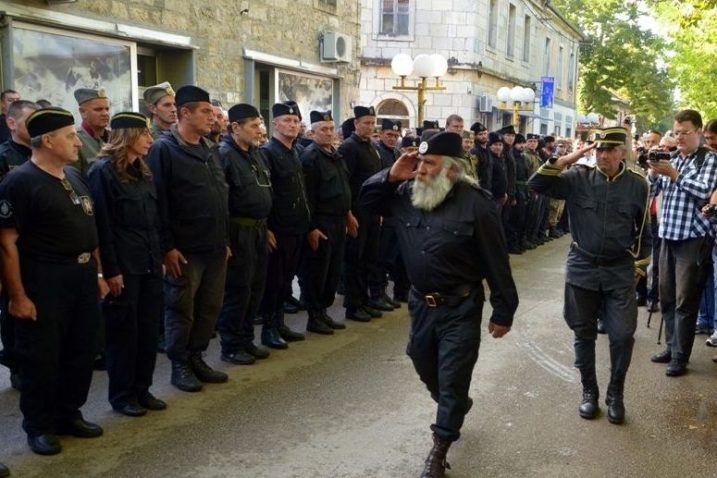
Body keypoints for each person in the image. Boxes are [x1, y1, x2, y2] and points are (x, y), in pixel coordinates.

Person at [359, 131, 518, 477]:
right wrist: (389, 175)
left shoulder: (477, 203)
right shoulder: (404, 193)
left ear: (450, 169)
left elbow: (496, 260)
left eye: (428, 164)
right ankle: (454, 402)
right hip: (420, 304)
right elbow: (364, 202)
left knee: (453, 374)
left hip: (461, 305)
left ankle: (440, 447)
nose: (420, 170)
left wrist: (504, 310)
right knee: (421, 359)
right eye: (418, 162)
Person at [0, 107, 109, 455]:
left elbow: (91, 232)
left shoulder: (74, 176)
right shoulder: (20, 181)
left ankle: (68, 414)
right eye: (70, 136)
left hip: (80, 277)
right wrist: (17, 296)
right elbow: (6, 242)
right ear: (47, 140)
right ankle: (39, 425)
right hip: (43, 279)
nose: (78, 142)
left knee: (81, 351)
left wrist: (99, 274)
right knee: (43, 358)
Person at [528, 128, 651, 424]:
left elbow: (645, 232)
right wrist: (567, 158)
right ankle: (589, 392)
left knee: (622, 335)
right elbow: (537, 185)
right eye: (599, 150)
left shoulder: (638, 185)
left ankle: (615, 394)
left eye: (610, 150)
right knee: (583, 333)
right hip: (582, 265)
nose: (603, 156)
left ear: (623, 152)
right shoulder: (577, 178)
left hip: (619, 268)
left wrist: (639, 267)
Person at [146, 85, 230, 392]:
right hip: (184, 249)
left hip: (215, 245)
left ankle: (197, 356)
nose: (212, 117)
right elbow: (158, 203)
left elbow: (221, 196)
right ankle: (179, 364)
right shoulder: (164, 150)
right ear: (185, 113)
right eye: (205, 111)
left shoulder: (210, 148)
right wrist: (167, 247)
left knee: (210, 307)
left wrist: (225, 240)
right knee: (182, 308)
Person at [88, 112, 167, 417]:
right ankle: (122, 395)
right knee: (124, 334)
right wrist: (110, 271)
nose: (150, 139)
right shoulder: (102, 172)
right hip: (124, 267)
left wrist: (158, 257)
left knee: (148, 331)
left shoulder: (143, 171)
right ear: (128, 136)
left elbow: (154, 221)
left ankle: (142, 389)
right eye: (145, 134)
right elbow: (103, 226)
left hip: (148, 262)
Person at [648, 109, 717, 376]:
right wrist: (654, 173)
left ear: (698, 132)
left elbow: (703, 190)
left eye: (684, 133)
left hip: (693, 238)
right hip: (668, 235)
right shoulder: (672, 157)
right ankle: (671, 345)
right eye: (676, 133)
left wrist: (674, 174)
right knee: (666, 295)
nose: (679, 138)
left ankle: (681, 356)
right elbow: (652, 192)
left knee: (685, 300)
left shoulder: (709, 160)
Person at [216, 103, 273, 365]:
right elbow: (222, 203)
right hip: (239, 231)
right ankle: (231, 344)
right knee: (238, 290)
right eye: (254, 125)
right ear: (235, 128)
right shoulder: (225, 155)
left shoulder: (256, 154)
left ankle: (247, 339)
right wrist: (226, 240)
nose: (260, 130)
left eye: (260, 124)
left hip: (259, 230)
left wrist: (267, 227)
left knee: (256, 287)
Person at [298, 110, 355, 334]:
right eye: (324, 129)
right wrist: (311, 228)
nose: (329, 133)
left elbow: (343, 187)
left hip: (338, 221)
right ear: (312, 133)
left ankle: (323, 312)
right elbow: (307, 197)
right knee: (317, 271)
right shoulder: (310, 158)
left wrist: (348, 213)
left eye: (331, 128)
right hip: (321, 222)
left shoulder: (335, 155)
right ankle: (314, 316)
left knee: (332, 270)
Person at [259, 102, 310, 348]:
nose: (292, 125)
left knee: (286, 280)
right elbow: (266, 193)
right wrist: (267, 228)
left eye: (295, 121)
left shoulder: (295, 150)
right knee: (274, 281)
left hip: (296, 226)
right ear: (275, 124)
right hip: (278, 229)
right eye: (287, 121)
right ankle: (269, 329)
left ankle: (279, 324)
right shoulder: (268, 152)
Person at [339, 106, 384, 322]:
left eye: (372, 122)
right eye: (366, 122)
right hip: (357, 212)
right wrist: (348, 214)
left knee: (368, 258)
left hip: (373, 212)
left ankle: (365, 300)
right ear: (356, 123)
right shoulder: (349, 147)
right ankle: (353, 305)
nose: (370, 126)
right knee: (354, 259)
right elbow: (345, 183)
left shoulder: (372, 147)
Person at [74, 88, 111, 174]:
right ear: (83, 112)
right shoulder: (75, 140)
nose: (105, 113)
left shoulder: (114, 137)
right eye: (98, 109)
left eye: (107, 109)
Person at [0, 100, 38, 178]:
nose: (38, 126)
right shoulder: (2, 156)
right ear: (12, 124)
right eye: (31, 121)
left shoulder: (46, 151)